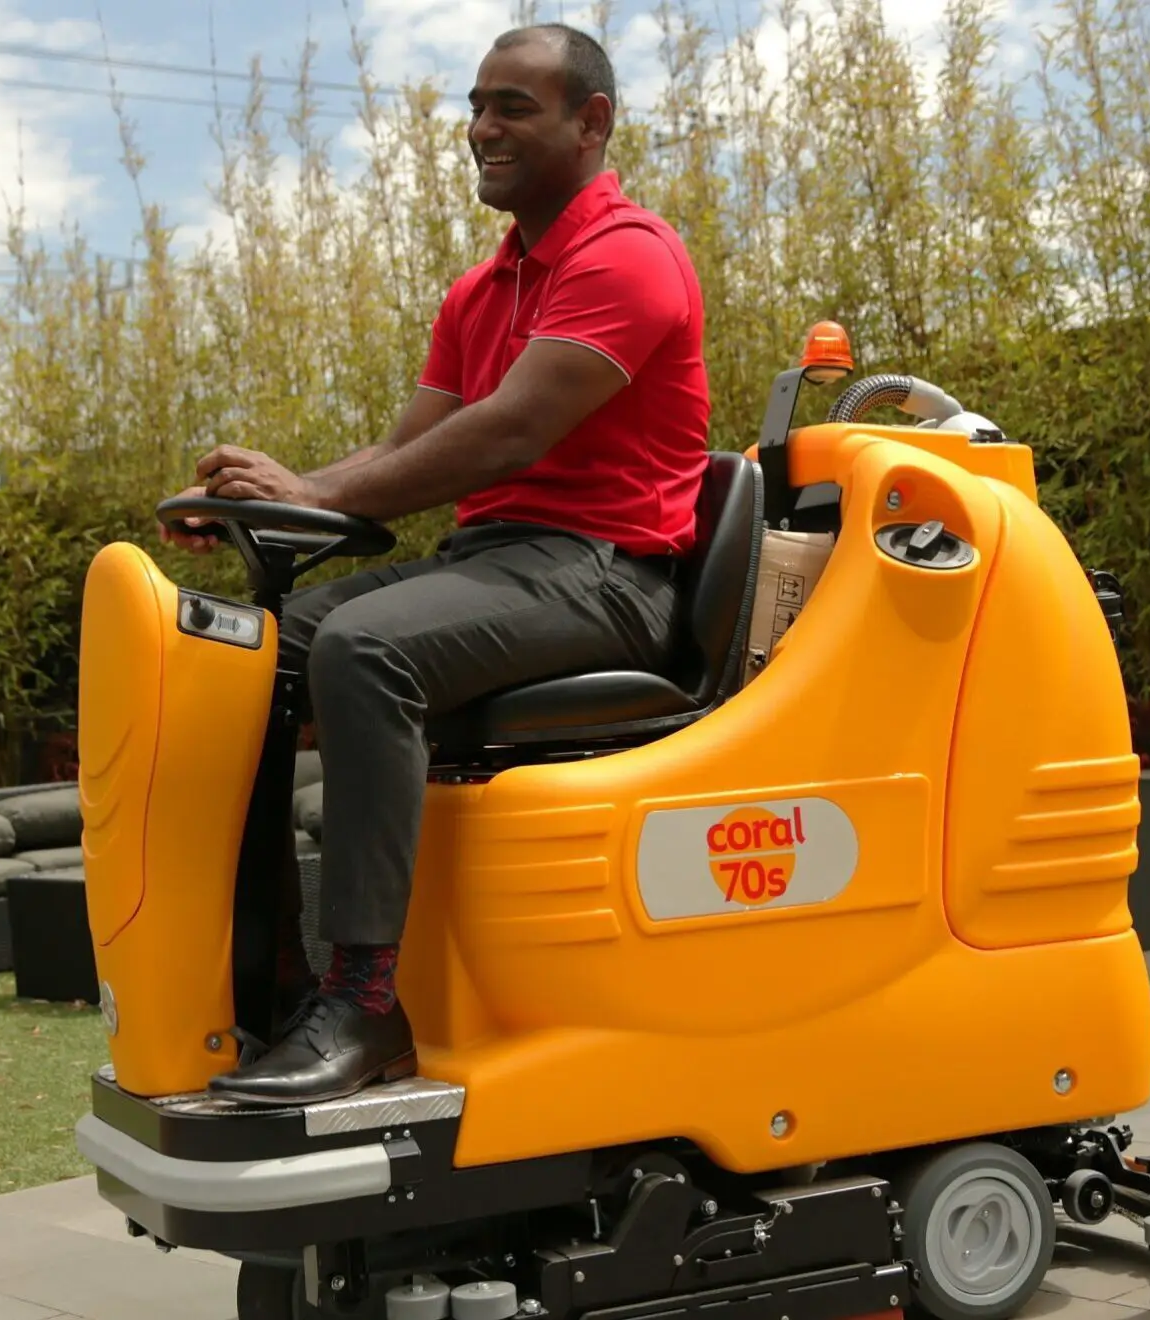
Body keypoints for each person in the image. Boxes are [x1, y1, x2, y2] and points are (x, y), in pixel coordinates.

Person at [159, 23, 711, 1104]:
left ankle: (367, 1006)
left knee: (366, 650)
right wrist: (267, 496)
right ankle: (268, 976)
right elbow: (406, 452)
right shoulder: (478, 292)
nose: (480, 130)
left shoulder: (628, 256)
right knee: (242, 653)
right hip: (498, 565)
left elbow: (508, 433)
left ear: (590, 122)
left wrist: (313, 496)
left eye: (513, 107)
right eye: (476, 105)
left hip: (610, 575)